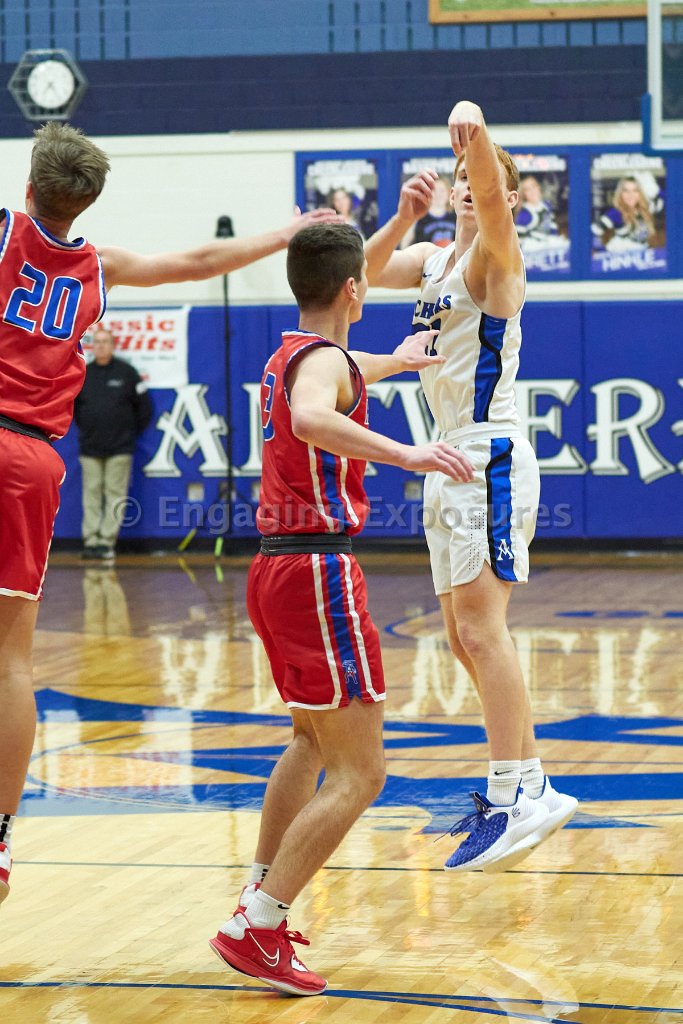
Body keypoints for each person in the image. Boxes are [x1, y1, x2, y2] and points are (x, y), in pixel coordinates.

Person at [0, 121, 341, 907]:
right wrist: (284, 233)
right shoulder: (98, 266)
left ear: (28, 187)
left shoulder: (5, 233)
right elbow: (196, 261)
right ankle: (0, 835)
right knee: (12, 664)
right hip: (33, 463)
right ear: (85, 203)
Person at [209, 223, 474, 996]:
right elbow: (311, 415)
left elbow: (337, 377)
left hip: (276, 568)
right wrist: (407, 453)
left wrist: (399, 359)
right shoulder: (319, 367)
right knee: (362, 772)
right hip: (317, 571)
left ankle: (260, 893)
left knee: (308, 742)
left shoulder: (291, 353)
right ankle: (257, 924)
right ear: (353, 289)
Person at [364, 100, 578, 874]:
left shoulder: (495, 259)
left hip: (488, 451)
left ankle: (510, 792)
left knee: (484, 632)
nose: (465, 182)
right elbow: (363, 272)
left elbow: (489, 196)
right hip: (447, 452)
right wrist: (401, 215)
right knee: (462, 637)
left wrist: (476, 132)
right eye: (455, 173)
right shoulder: (430, 260)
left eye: (474, 176)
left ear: (506, 196)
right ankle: (532, 784)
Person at [74, 326, 152, 561]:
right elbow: (74, 409)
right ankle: (91, 541)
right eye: (97, 342)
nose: (101, 346)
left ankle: (106, 543)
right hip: (90, 447)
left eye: (105, 342)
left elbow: (144, 409)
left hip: (120, 448)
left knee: (115, 495)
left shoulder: (127, 373)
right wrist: (88, 429)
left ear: (113, 345)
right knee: (91, 494)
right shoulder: (83, 373)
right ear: (92, 346)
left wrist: (128, 433)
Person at [592, 174, 663, 254]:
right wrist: (601, 251)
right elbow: (594, 231)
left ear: (640, 193)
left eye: (635, 190)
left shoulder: (647, 208)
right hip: (620, 255)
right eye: (626, 191)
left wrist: (654, 188)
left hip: (641, 253)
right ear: (620, 193)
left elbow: (667, 198)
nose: (631, 195)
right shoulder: (616, 213)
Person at [401, 175, 456, 248]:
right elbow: (404, 245)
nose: (438, 194)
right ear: (427, 193)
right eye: (434, 191)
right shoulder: (418, 216)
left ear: (449, 193)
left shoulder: (456, 216)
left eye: (442, 190)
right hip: (426, 255)